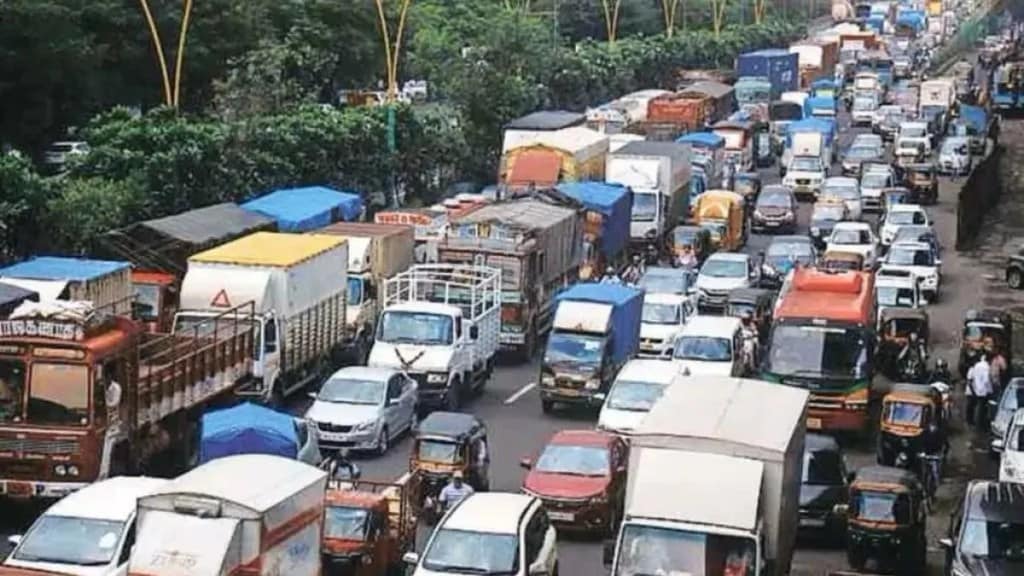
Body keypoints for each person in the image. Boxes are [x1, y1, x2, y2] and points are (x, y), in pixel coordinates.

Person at [966, 353, 994, 428]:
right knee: (981, 408)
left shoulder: (976, 366)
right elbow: (986, 380)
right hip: (983, 391)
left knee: (978, 407)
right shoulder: (986, 367)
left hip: (977, 390)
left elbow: (974, 379)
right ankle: (980, 423)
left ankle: (977, 423)